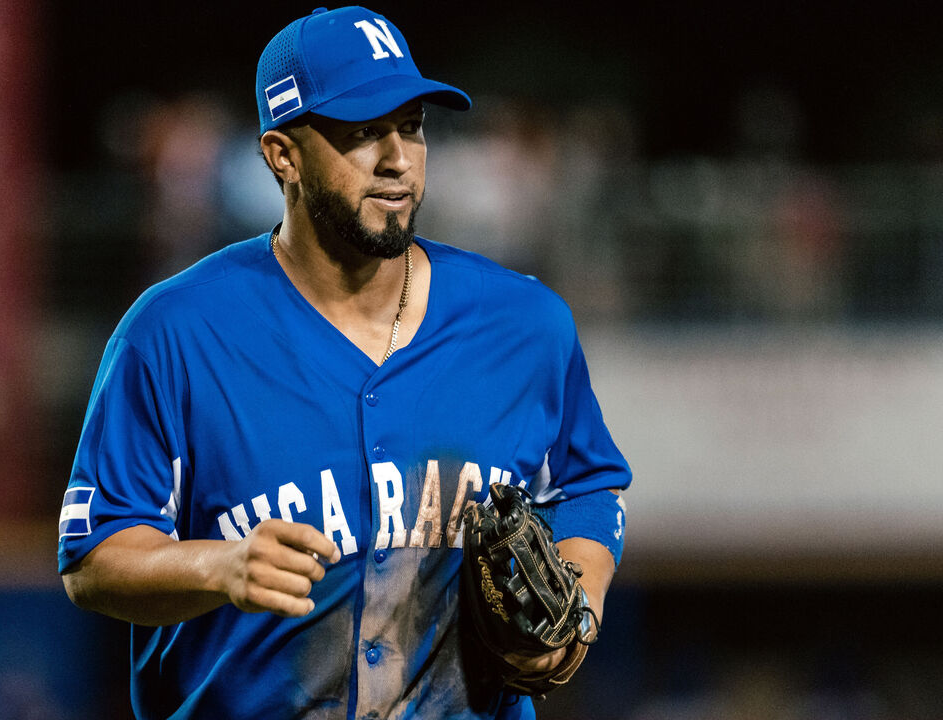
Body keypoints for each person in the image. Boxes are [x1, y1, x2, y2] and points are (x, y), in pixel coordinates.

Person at [57, 7, 631, 719]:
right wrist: (218, 566)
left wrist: (579, 602)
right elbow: (95, 559)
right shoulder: (174, 333)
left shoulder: (523, 325)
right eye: (362, 132)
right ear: (283, 156)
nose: (397, 158)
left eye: (411, 127)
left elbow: (586, 485)